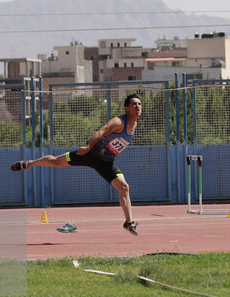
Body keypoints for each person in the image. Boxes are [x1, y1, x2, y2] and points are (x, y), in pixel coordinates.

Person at [11, 93, 142, 235]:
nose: (137, 107)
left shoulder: (134, 126)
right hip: (89, 154)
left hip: (106, 163)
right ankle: (30, 163)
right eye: (134, 104)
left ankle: (128, 222)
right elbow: (101, 131)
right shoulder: (118, 122)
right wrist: (88, 147)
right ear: (126, 108)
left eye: (139, 104)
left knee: (124, 187)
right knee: (55, 161)